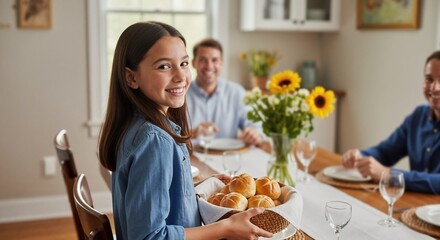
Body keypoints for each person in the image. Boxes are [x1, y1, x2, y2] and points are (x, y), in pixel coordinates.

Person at [98, 21, 273, 240]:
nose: (181, 76)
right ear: (131, 78)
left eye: (183, 63)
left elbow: (157, 196)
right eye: (164, 66)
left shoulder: (135, 125)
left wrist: (195, 186)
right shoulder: (155, 140)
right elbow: (148, 237)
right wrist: (225, 228)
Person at [342, 50, 440, 194]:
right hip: (414, 206)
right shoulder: (417, 116)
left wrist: (389, 175)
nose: (435, 87)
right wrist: (360, 156)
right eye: (429, 79)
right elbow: (385, 152)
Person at [186, 38, 264, 147]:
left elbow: (255, 125)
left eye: (215, 60)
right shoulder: (181, 95)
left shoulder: (236, 92)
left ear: (221, 63)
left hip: (228, 157)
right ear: (193, 63)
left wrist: (255, 133)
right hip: (191, 157)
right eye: (203, 60)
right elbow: (168, 134)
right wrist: (191, 133)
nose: (209, 66)